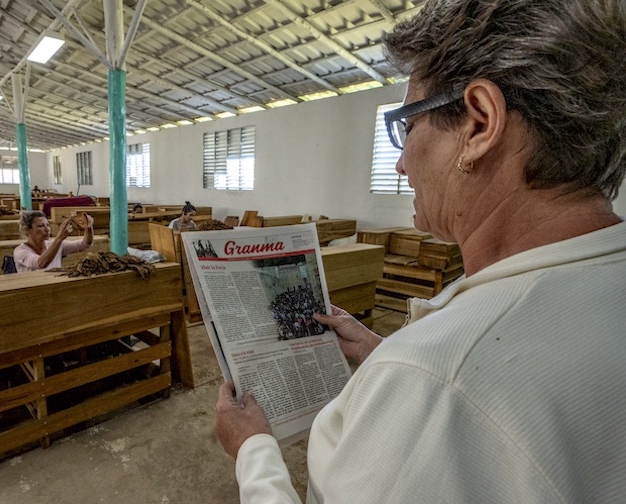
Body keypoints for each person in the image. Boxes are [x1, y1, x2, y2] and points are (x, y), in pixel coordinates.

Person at [215, 1, 626, 502]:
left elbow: (454, 386)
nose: (402, 164)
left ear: (479, 124)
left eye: (408, 127)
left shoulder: (437, 382)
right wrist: (381, 354)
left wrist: (254, 449)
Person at [13, 210, 94, 272]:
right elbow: (40, 263)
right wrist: (59, 238)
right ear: (27, 230)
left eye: (48, 225)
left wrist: (88, 227)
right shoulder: (20, 251)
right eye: (41, 226)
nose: (47, 229)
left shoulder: (53, 244)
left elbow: (85, 244)